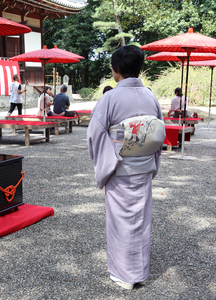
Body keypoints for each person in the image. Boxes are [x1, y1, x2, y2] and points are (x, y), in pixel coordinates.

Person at [87, 45, 164, 290]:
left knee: (121, 221)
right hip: (143, 167)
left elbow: (94, 136)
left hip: (119, 167)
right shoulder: (151, 96)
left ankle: (125, 275)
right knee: (140, 221)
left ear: (116, 70)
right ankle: (139, 273)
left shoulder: (110, 98)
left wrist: (106, 163)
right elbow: (158, 133)